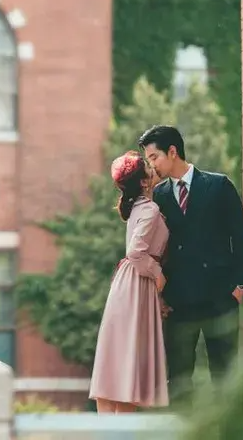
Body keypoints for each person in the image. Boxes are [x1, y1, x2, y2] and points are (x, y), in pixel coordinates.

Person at [140, 124, 243, 404]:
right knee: (178, 378)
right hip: (179, 301)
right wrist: (161, 295)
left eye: (154, 157)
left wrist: (239, 286)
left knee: (225, 374)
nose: (152, 166)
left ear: (172, 152)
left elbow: (239, 235)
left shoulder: (219, 185)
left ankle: (228, 428)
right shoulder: (159, 196)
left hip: (220, 297)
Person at [89, 151, 169, 412]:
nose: (153, 167)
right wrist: (157, 272)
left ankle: (106, 427)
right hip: (138, 283)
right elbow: (135, 252)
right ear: (144, 182)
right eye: (148, 166)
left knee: (117, 360)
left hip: (126, 283)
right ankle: (120, 428)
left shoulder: (137, 208)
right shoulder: (150, 209)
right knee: (129, 364)